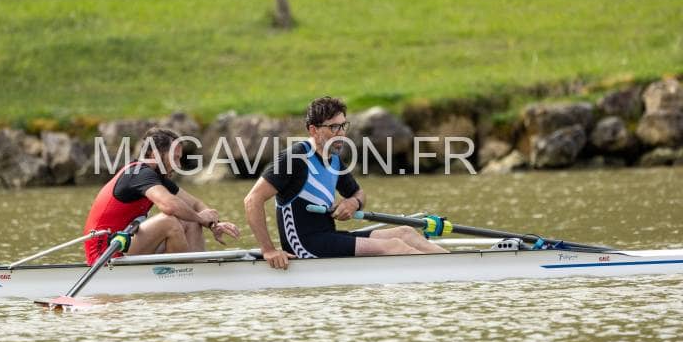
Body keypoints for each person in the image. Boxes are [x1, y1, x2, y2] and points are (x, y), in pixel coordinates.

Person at [244, 96, 448, 269]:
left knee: (406, 233)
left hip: (328, 237)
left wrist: (353, 203)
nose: (341, 133)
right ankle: (446, 274)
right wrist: (269, 250)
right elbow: (252, 200)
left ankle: (456, 268)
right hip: (304, 245)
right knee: (394, 246)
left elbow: (359, 194)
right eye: (333, 127)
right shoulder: (294, 158)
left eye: (343, 125)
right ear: (313, 130)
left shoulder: (334, 160)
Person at [83, 127, 240, 265]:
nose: (178, 165)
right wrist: (200, 218)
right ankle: (184, 275)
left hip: (125, 244)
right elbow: (170, 206)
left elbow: (195, 204)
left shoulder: (157, 177)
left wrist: (214, 224)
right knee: (169, 221)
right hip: (104, 253)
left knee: (189, 218)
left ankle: (198, 268)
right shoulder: (139, 174)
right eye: (175, 158)